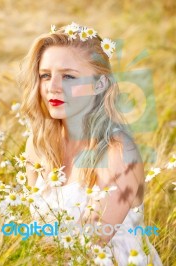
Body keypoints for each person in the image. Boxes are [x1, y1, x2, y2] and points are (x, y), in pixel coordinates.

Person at [19, 22, 162, 265]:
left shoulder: (118, 151)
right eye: (45, 75)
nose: (52, 87)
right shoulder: (38, 145)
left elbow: (88, 246)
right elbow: (32, 225)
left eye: (68, 77)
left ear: (99, 84)